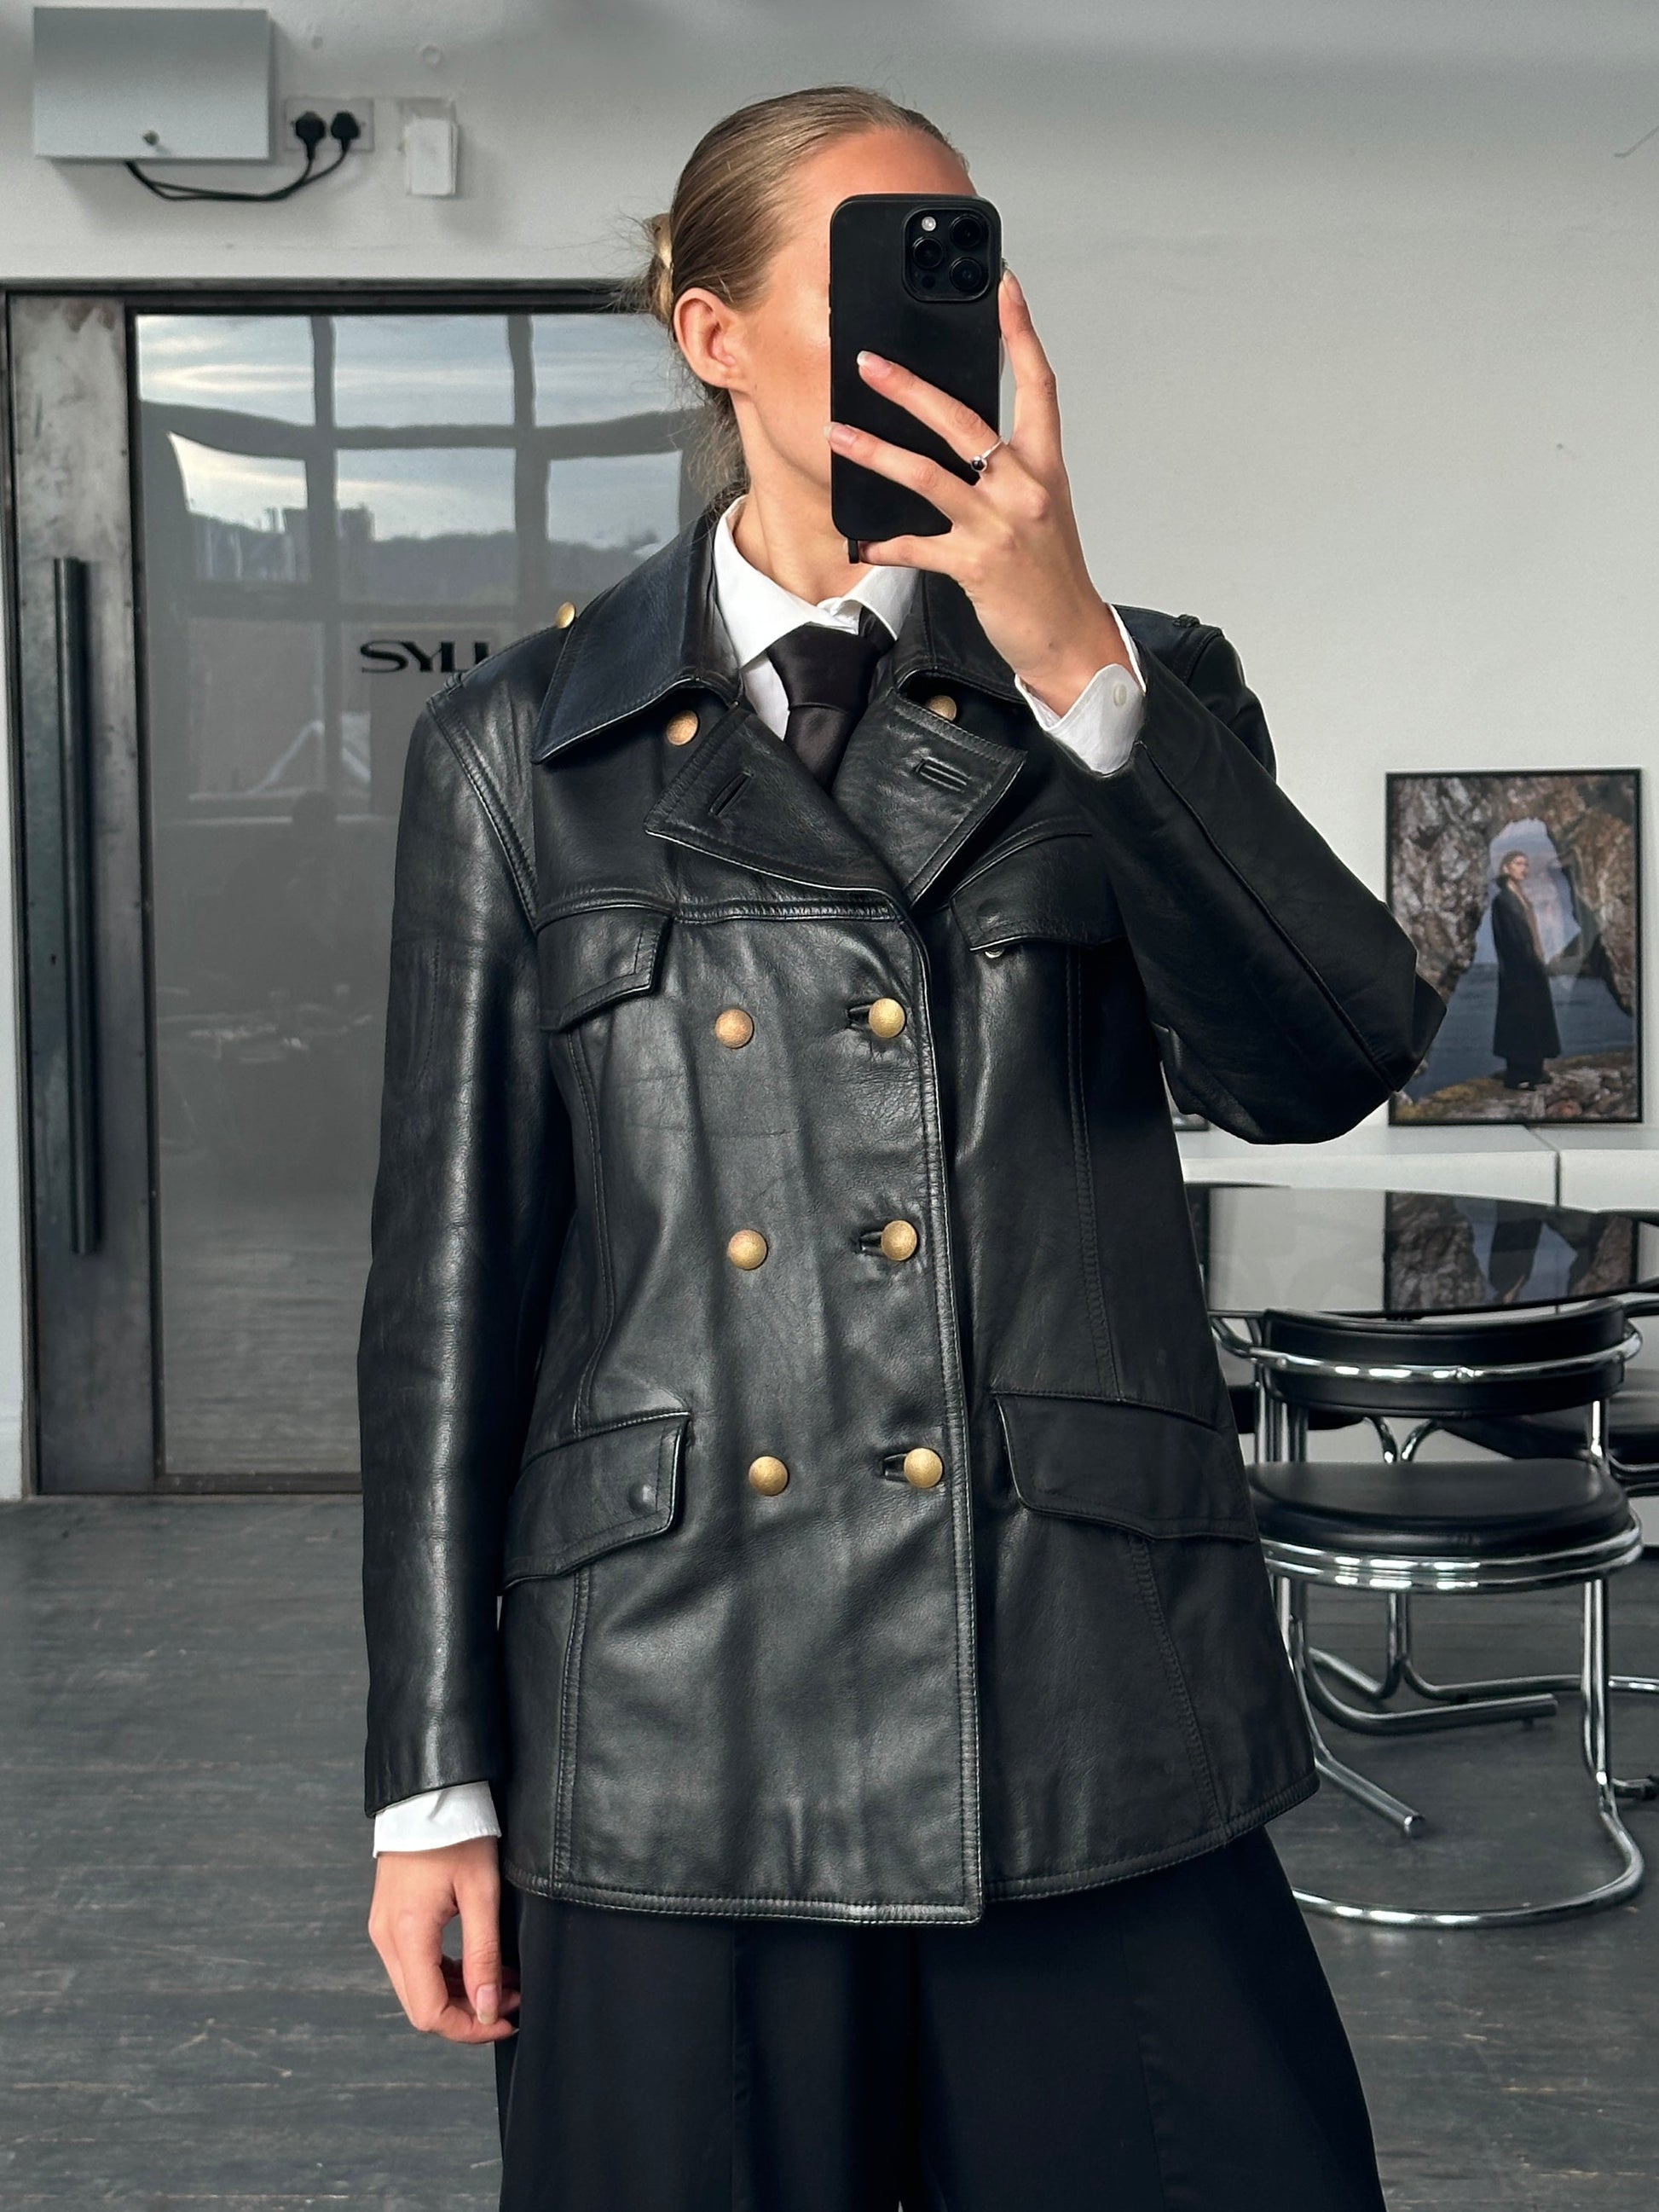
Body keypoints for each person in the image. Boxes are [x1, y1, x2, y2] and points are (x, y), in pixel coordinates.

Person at [359, 84, 1443, 2211]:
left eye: (963, 264)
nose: (936, 322)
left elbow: (1322, 1061)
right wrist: (428, 1781)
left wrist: (1071, 654)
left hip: (1082, 1680)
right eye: (870, 274)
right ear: (711, 333)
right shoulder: (518, 750)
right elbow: (450, 1292)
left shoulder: (1138, 687)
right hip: (672, 1703)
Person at [1490, 847, 1560, 1092]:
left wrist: (1537, 960)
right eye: (1519, 863)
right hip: (1517, 970)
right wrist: (1525, 963)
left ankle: (1535, 1070)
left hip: (1531, 967)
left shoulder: (1520, 896)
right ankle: (1517, 1075)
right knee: (1519, 1020)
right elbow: (1509, 939)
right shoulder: (1502, 900)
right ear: (1506, 868)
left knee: (1535, 1018)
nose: (1524, 869)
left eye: (1526, 864)